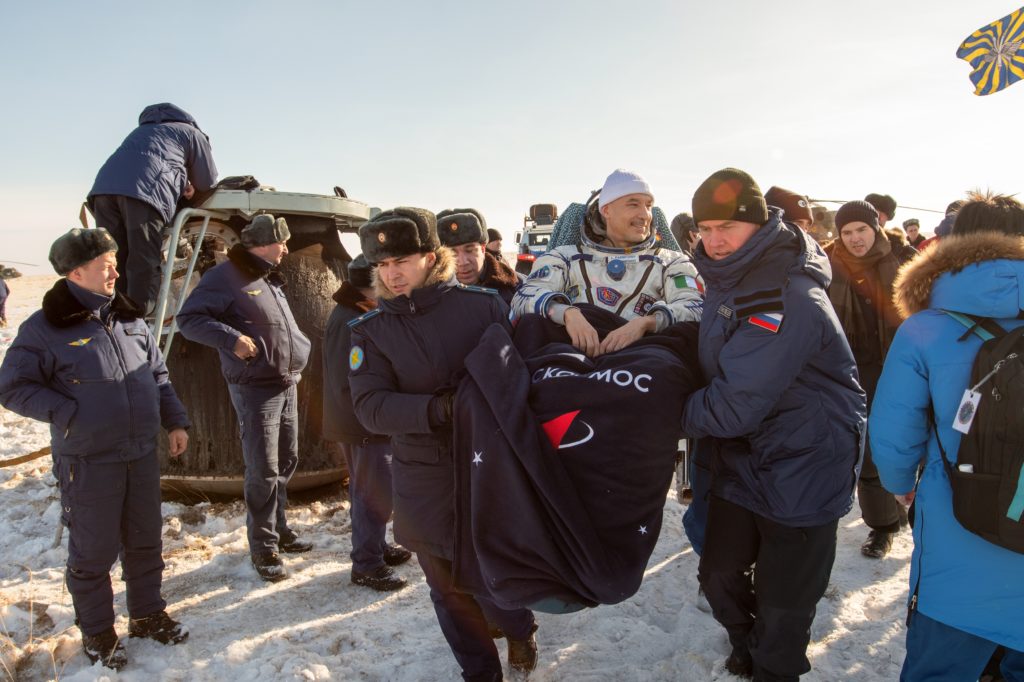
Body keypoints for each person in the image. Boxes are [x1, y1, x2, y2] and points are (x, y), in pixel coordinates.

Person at [681, 168, 865, 681]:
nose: (714, 241)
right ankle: (748, 641)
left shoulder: (783, 294)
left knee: (785, 611)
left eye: (727, 228)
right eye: (705, 228)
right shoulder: (731, 276)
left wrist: (652, 413)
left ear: (757, 226)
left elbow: (735, 403)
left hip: (805, 464)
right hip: (746, 457)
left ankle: (771, 664)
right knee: (718, 575)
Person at [349, 207, 538, 681]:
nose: (392, 274)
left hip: (488, 467)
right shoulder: (370, 333)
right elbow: (371, 407)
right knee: (447, 587)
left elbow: (516, 375)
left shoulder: (483, 307)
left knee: (496, 576)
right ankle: (480, 674)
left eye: (403, 261)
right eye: (383, 266)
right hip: (422, 475)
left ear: (432, 257)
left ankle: (519, 627)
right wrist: (436, 410)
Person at [0, 228, 191, 670]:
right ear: (75, 272)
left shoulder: (129, 319)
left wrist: (175, 420)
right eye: (106, 265)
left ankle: (147, 615)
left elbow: (157, 375)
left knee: (145, 542)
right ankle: (99, 633)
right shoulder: (45, 327)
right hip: (88, 462)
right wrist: (68, 412)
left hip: (140, 453)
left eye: (115, 263)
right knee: (93, 553)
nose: (115, 271)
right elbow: (12, 387)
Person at [869, 191, 1024, 681]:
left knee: (943, 661)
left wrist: (899, 483)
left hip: (962, 512)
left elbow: (894, 428)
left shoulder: (925, 328)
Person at [176, 215, 313, 582]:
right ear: (262, 243)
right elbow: (188, 319)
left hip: (286, 382)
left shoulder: (266, 276)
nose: (285, 249)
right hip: (256, 388)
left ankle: (279, 529)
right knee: (263, 467)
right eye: (281, 242)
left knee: (286, 459)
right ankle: (263, 546)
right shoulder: (224, 277)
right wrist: (231, 339)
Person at [511, 169, 703, 357]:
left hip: (642, 358)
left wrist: (648, 322)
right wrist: (567, 313)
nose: (645, 215)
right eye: (633, 204)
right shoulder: (565, 258)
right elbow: (524, 297)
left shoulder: (671, 262)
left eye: (649, 205)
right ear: (606, 210)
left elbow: (695, 307)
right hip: (575, 356)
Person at [323, 254, 411, 592]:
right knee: (373, 494)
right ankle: (367, 564)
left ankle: (376, 548)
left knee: (370, 492)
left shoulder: (357, 313)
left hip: (363, 423)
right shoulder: (351, 321)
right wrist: (373, 420)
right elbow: (348, 383)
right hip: (363, 426)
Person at [826, 201, 905, 558]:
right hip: (846, 369)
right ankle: (883, 526)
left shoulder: (902, 261)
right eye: (847, 232)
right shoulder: (826, 265)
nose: (855, 238)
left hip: (898, 365)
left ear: (876, 228)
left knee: (904, 445)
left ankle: (910, 507)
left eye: (862, 230)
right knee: (866, 452)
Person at [88, 103, 219, 316]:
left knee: (113, 259)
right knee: (143, 257)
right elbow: (207, 181)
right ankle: (137, 320)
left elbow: (146, 161)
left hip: (103, 191)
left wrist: (181, 182)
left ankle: (110, 315)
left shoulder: (142, 131)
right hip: (145, 193)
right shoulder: (192, 133)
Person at [436, 208, 523, 304]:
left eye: (469, 250)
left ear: (483, 249)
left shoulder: (518, 288)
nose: (463, 262)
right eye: (452, 254)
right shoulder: (429, 298)